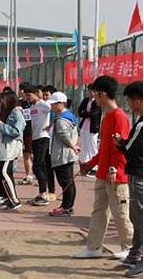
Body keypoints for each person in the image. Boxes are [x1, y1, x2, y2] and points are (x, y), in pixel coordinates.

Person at [75, 75, 133, 260]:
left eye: (95, 95)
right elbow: (104, 149)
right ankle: (94, 246)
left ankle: (131, 247)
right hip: (103, 174)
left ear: (103, 94)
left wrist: (115, 169)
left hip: (115, 176)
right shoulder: (107, 117)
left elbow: (121, 148)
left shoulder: (120, 117)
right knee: (99, 211)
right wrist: (89, 164)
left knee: (121, 214)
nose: (94, 98)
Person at [113, 81, 142, 277]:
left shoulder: (141, 124)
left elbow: (130, 149)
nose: (129, 105)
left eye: (130, 101)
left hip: (139, 173)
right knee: (136, 216)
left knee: (140, 217)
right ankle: (136, 254)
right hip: (137, 171)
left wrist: (119, 144)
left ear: (138, 101)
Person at [0, 91, 26, 211]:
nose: (1, 102)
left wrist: (1, 125)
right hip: (4, 147)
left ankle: (15, 200)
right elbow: (2, 127)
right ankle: (9, 198)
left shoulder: (16, 113)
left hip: (10, 147)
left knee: (5, 172)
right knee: (4, 174)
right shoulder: (8, 112)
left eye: (4, 100)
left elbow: (16, 131)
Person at [46, 92, 79, 216]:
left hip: (62, 154)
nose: (52, 107)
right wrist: (74, 146)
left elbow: (64, 135)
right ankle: (68, 206)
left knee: (65, 182)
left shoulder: (61, 120)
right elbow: (73, 134)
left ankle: (65, 207)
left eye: (54, 104)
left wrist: (72, 146)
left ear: (61, 103)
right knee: (69, 182)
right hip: (68, 153)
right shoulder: (70, 116)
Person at [24, 86, 56, 206]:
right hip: (35, 138)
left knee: (37, 166)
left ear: (37, 94)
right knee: (40, 166)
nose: (27, 98)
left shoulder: (44, 104)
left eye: (29, 96)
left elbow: (57, 111)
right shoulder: (32, 106)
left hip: (43, 137)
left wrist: (50, 125)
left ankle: (44, 194)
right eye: (26, 96)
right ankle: (42, 193)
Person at [78, 84, 102, 176]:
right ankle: (85, 166)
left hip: (93, 128)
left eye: (93, 91)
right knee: (84, 147)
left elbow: (93, 114)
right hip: (84, 127)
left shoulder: (97, 102)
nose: (91, 93)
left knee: (92, 147)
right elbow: (80, 112)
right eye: (90, 91)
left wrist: (86, 113)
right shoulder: (85, 100)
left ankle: (95, 168)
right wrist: (86, 114)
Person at [18, 82, 35, 185]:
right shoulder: (19, 103)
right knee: (26, 154)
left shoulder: (35, 103)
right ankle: (28, 175)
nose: (23, 93)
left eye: (26, 92)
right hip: (25, 131)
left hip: (35, 131)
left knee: (34, 154)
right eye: (22, 91)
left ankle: (37, 173)